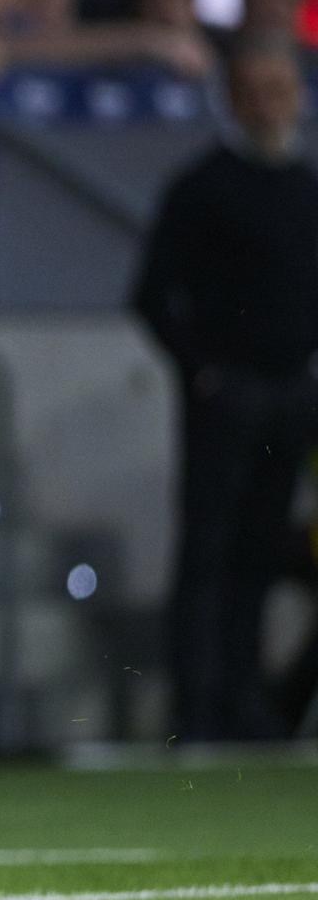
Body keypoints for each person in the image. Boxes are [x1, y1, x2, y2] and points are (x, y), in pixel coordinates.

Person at [132, 38, 318, 741]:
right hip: (228, 394)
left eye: (281, 90)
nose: (270, 106)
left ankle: (246, 702)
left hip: (293, 391)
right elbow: (152, 294)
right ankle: (197, 707)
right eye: (256, 92)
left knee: (262, 552)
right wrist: (202, 371)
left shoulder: (305, 186)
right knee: (207, 551)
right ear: (234, 100)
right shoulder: (203, 186)